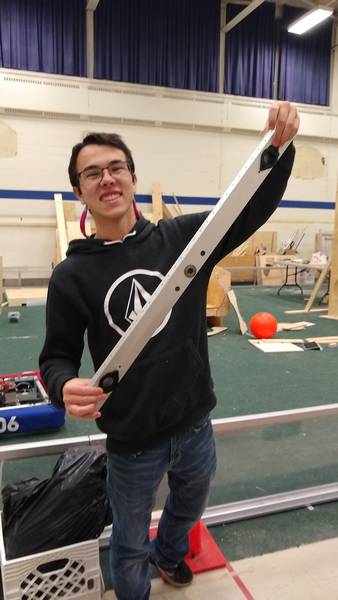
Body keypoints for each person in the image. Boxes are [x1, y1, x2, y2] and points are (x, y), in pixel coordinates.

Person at [39, 101, 299, 600]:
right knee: (129, 544)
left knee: (188, 506)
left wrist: (280, 148)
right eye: (92, 173)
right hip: (131, 440)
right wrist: (62, 386)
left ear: (133, 178)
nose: (107, 179)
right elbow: (56, 358)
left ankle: (173, 553)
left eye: (116, 168)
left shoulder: (182, 241)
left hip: (195, 422)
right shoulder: (71, 276)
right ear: (79, 192)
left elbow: (250, 209)